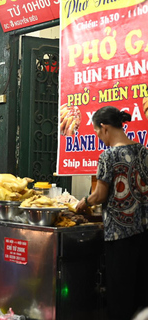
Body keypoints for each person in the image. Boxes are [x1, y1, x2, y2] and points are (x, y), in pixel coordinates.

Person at [76, 106, 148, 320]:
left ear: (105, 128)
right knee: (141, 291)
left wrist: (84, 202)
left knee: (120, 293)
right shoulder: (143, 150)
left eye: (97, 132)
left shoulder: (109, 155)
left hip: (119, 235)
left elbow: (99, 195)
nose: (99, 137)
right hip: (144, 232)